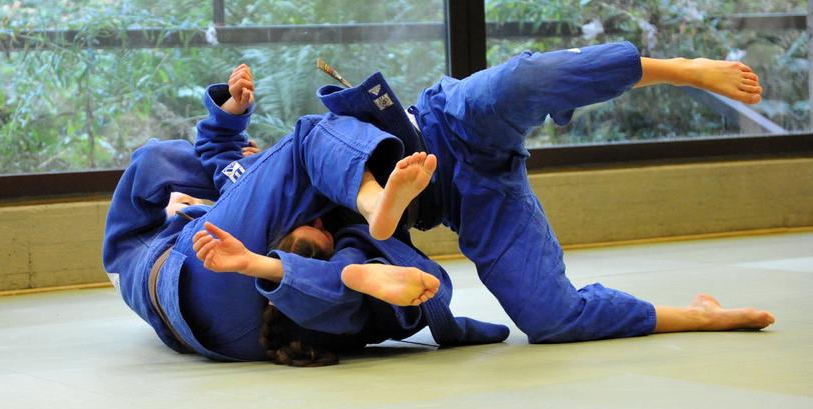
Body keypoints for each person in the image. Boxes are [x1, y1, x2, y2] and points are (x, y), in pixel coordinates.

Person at [306, 41, 774, 343]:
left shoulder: (285, 169)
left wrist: (229, 118)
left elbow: (244, 157)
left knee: (526, 80)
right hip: (470, 198)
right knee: (550, 319)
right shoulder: (322, 263)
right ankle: (698, 315)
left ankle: (681, 67)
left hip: (447, 119)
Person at [104, 64, 506, 364]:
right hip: (268, 301)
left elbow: (214, 154)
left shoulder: (144, 253)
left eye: (308, 224)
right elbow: (222, 161)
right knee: (311, 141)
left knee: (156, 157)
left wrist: (230, 115)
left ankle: (349, 248)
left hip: (237, 319)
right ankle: (367, 211)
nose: (314, 218)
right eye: (316, 225)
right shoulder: (243, 216)